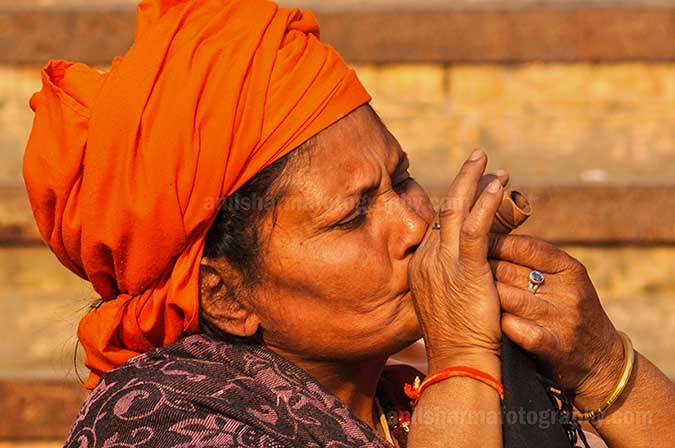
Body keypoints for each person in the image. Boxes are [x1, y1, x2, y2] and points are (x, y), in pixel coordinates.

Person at [23, 1, 675, 447]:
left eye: (400, 180)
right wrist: (465, 362)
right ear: (226, 295)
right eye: (351, 216)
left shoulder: (404, 399)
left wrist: (601, 367)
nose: (415, 226)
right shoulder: (160, 422)